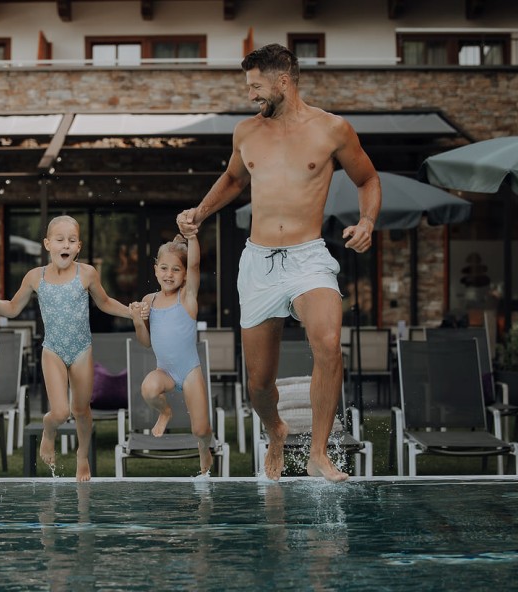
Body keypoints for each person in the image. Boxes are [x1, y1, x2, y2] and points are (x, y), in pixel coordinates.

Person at [178, 44, 381, 482]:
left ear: (282, 81)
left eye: (256, 86)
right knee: (258, 384)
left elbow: (367, 178)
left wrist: (367, 220)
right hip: (258, 262)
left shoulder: (332, 130)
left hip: (309, 257)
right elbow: (234, 178)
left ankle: (319, 454)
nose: (251, 95)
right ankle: (276, 431)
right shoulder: (246, 133)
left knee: (327, 343)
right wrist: (199, 212)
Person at [0, 215, 135, 481]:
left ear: (79, 247)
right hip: (53, 350)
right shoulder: (34, 277)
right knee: (61, 412)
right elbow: (13, 308)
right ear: (47, 244)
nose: (66, 244)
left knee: (82, 410)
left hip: (81, 350)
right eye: (60, 240)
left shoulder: (86, 273)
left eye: (71, 240)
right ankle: (48, 431)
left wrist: (131, 314)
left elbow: (106, 302)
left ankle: (82, 456)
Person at [129, 233, 214, 476]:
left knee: (201, 429)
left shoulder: (187, 297)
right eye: (164, 268)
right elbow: (145, 342)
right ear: (155, 270)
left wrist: (193, 237)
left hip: (189, 371)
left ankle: (204, 447)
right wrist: (137, 321)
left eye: (176, 269)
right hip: (164, 371)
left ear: (186, 274)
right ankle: (165, 412)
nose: (169, 274)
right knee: (148, 388)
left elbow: (196, 263)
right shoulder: (149, 301)